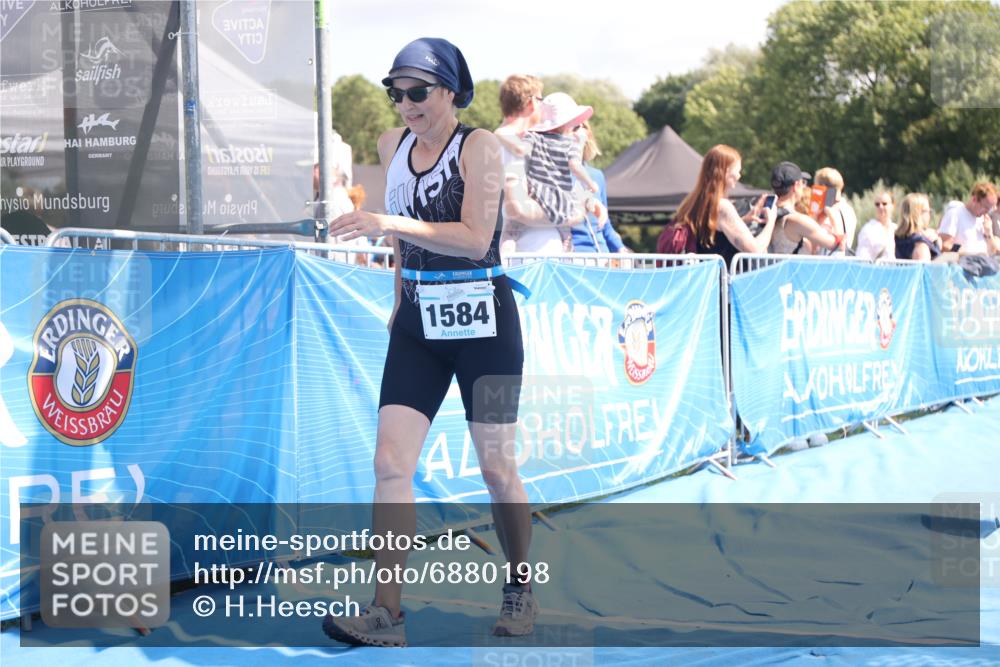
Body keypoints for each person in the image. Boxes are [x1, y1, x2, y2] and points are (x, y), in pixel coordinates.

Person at [322, 37, 536, 647]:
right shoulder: (392, 146)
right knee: (390, 463)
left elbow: (474, 239)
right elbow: (399, 245)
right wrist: (397, 300)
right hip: (418, 323)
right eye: (397, 92)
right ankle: (387, 613)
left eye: (418, 92)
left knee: (497, 468)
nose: (406, 104)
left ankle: (520, 584)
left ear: (450, 91)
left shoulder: (482, 147)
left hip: (487, 328)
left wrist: (388, 221)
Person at [495, 92, 607, 248]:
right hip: (560, 201)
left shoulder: (532, 137)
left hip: (537, 194)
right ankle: (566, 256)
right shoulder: (570, 145)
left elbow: (521, 149)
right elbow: (575, 167)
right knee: (566, 236)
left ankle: (506, 253)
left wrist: (505, 137)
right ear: (568, 123)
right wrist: (590, 186)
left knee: (511, 230)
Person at [495, 74, 566, 255]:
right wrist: (567, 215)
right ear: (533, 102)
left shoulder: (508, 140)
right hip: (527, 257)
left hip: (530, 255)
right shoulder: (508, 141)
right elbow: (517, 209)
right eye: (541, 100)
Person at [674, 144, 776, 267]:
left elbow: (714, 233)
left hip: (703, 278)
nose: (739, 176)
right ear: (724, 171)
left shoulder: (693, 202)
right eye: (737, 171)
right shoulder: (722, 207)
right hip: (720, 280)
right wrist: (771, 222)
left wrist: (743, 220)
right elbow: (754, 250)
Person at [570, 121, 628, 254]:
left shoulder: (597, 176)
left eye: (583, 126)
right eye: (574, 127)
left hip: (601, 256)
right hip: (571, 258)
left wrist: (621, 248)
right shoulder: (556, 172)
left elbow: (604, 224)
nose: (579, 131)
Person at [767, 162, 844, 256]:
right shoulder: (798, 220)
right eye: (802, 183)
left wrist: (818, 220)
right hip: (795, 270)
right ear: (796, 186)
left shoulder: (769, 213)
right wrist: (832, 214)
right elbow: (839, 244)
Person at [937, 181, 998, 255]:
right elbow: (945, 244)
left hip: (984, 262)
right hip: (964, 263)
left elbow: (993, 251)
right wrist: (965, 252)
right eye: (985, 207)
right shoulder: (955, 214)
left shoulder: (984, 220)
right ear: (974, 199)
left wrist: (989, 233)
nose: (987, 212)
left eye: (990, 209)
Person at [813, 167, 858, 254]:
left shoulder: (832, 210)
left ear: (823, 187)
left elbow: (839, 242)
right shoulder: (848, 210)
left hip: (829, 262)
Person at [894, 193, 941, 261]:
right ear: (918, 214)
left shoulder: (895, 238)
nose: (929, 215)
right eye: (928, 211)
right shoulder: (920, 244)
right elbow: (924, 270)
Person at [855, 191, 896, 261]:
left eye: (884, 204)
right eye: (877, 204)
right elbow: (862, 257)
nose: (880, 207)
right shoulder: (868, 229)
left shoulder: (896, 229)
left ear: (892, 206)